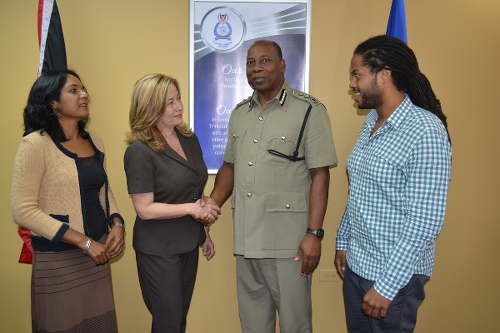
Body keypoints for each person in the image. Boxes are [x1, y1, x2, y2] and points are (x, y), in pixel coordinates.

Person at [207, 40, 337, 333]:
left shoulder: (309, 111)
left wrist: (314, 234)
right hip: (246, 240)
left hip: (289, 244)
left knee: (295, 324)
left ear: (282, 65)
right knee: (253, 324)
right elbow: (230, 166)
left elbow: (320, 174)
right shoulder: (240, 113)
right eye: (250, 62)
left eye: (264, 61)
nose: (256, 68)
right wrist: (212, 203)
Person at [335, 35, 452, 332]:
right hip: (359, 266)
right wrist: (343, 242)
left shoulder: (425, 130)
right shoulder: (372, 121)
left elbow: (425, 220)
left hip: (393, 277)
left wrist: (387, 286)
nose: (351, 83)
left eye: (356, 74)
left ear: (384, 75)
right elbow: (360, 188)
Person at [10, 69, 125, 333]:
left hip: (97, 257)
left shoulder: (94, 140)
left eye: (83, 89)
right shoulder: (35, 144)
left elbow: (103, 190)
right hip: (58, 262)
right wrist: (83, 242)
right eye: (74, 90)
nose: (84, 95)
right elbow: (22, 209)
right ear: (52, 101)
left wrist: (117, 223)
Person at [123, 73, 220, 333]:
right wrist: (192, 209)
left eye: (178, 99)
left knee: (178, 320)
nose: (179, 106)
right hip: (158, 248)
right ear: (149, 107)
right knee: (168, 322)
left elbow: (193, 190)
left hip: (188, 242)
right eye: (169, 102)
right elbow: (144, 209)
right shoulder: (139, 151)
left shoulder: (188, 138)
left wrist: (203, 232)